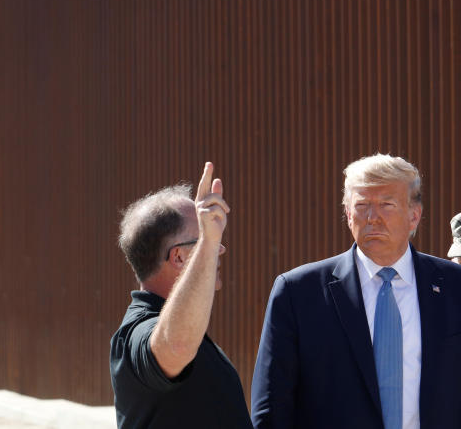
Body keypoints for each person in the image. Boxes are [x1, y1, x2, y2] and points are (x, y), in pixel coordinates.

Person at [251, 153, 461, 428]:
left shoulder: (453, 286)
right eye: (362, 206)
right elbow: (271, 409)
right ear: (348, 215)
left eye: (387, 204)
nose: (373, 218)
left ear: (414, 216)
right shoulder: (299, 293)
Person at [110, 162, 251, 428]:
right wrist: (208, 242)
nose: (219, 248)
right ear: (177, 257)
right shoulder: (136, 333)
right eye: (205, 239)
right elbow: (175, 347)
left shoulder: (184, 329)